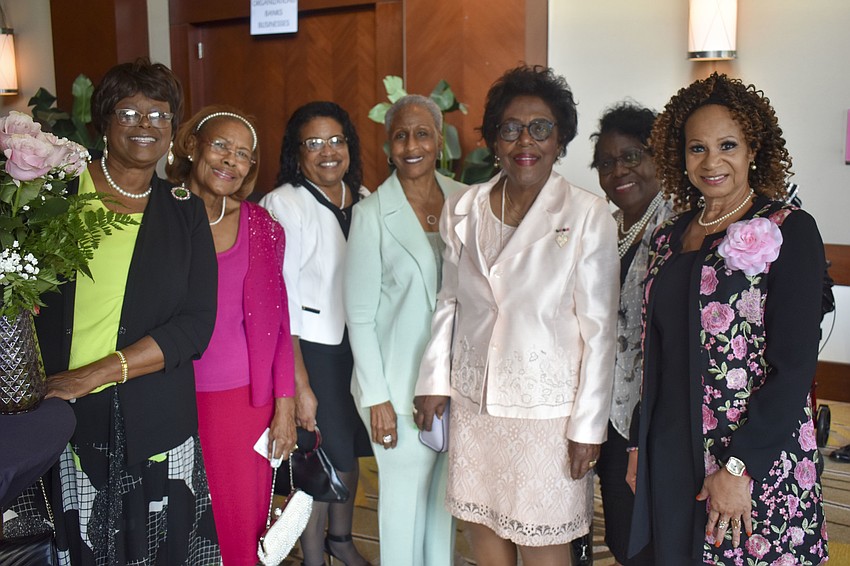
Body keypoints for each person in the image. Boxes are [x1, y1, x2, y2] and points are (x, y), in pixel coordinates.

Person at [413, 65, 619, 566]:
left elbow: (601, 332)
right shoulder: (466, 207)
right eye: (510, 128)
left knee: (543, 545)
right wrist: (432, 380)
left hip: (547, 416)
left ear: (560, 138)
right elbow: (450, 302)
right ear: (494, 139)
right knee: (485, 538)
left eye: (541, 128)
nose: (525, 140)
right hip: (475, 402)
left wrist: (588, 427)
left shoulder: (589, 215)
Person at [626, 72, 829, 565]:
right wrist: (638, 440)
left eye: (728, 145)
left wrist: (740, 466)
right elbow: (652, 348)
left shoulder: (789, 229)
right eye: (697, 148)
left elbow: (795, 366)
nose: (712, 161)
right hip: (672, 447)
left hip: (752, 453)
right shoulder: (667, 236)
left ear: (753, 149)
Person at [34, 59, 221, 564]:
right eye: (130, 112)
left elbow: (195, 327)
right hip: (62, 422)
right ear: (103, 120)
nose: (146, 126)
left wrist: (91, 375)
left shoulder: (185, 212)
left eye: (159, 115)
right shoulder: (53, 196)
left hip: (155, 422)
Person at [165, 105, 297, 565]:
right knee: (175, 528)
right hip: (167, 394)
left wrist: (285, 406)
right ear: (192, 146)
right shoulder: (158, 215)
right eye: (220, 144)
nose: (230, 160)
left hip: (243, 404)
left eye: (243, 154)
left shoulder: (262, 228)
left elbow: (279, 326)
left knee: (240, 527)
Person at [344, 94, 465, 566]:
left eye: (422, 134)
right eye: (401, 135)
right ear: (389, 147)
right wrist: (376, 399)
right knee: (401, 512)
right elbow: (359, 314)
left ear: (439, 142)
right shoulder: (371, 214)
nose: (412, 144)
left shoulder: (465, 200)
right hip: (396, 389)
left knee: (442, 508)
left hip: (458, 385)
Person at [260, 101, 372, 566]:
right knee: (321, 457)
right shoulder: (284, 203)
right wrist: (299, 386)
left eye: (336, 140)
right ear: (297, 152)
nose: (328, 152)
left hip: (358, 347)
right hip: (311, 350)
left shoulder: (362, 195)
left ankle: (340, 541)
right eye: (314, 143)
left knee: (350, 453)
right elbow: (278, 304)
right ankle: (312, 556)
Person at [589, 102, 672, 566]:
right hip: (611, 410)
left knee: (658, 537)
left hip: (660, 414)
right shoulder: (605, 227)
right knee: (623, 533)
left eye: (632, 156)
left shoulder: (682, 226)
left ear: (659, 155)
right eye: (606, 162)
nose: (618, 170)